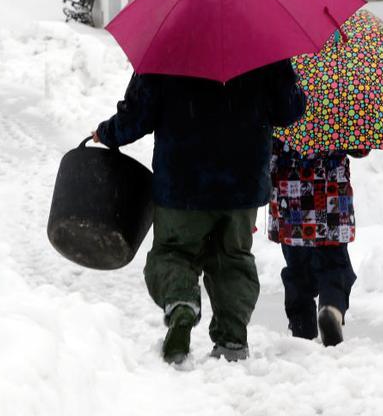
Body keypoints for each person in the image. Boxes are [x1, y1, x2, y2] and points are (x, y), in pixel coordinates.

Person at [93, 61, 306, 364]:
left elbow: (136, 116)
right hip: (242, 184)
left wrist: (107, 133)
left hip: (182, 183)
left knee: (172, 253)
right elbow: (289, 110)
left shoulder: (168, 46)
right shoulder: (264, 48)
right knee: (232, 259)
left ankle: (181, 303)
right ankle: (232, 339)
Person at [267, 139, 368, 347]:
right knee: (335, 266)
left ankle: (302, 329)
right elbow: (360, 149)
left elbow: (268, 155)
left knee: (297, 271)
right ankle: (331, 308)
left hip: (292, 198)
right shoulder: (340, 107)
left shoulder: (286, 108)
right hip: (331, 195)